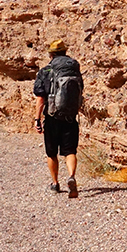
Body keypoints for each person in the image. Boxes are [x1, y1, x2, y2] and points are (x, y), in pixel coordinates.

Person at [33, 40, 83, 198]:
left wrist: (37, 119)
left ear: (51, 54)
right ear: (65, 51)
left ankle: (55, 184)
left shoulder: (46, 70)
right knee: (70, 151)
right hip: (70, 116)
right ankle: (71, 176)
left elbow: (40, 98)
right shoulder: (74, 68)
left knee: (51, 152)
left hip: (52, 117)